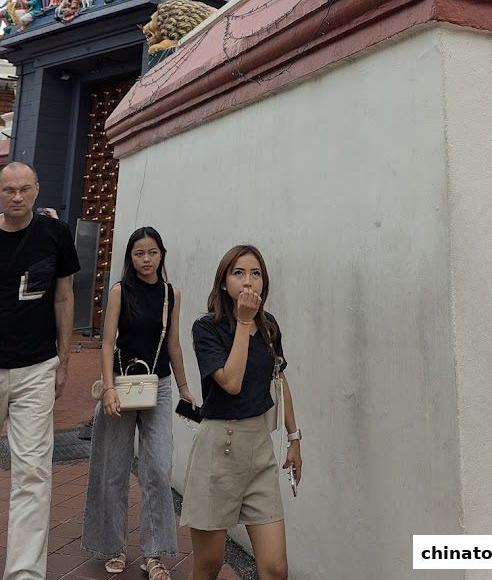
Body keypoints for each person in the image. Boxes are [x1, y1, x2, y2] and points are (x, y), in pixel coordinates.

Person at [181, 245, 302, 580]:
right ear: (223, 283)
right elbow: (231, 383)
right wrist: (243, 321)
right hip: (219, 448)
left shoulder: (269, 326)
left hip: (258, 447)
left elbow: (279, 378)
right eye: (238, 273)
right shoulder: (206, 328)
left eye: (256, 273)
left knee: (276, 567)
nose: (248, 281)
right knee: (209, 565)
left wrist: (294, 438)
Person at [82, 227, 196, 578]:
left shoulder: (171, 294)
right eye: (139, 254)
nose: (146, 260)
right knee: (112, 468)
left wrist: (184, 387)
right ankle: (112, 547)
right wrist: (110, 390)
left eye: (152, 253)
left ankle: (155, 553)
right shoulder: (119, 292)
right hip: (121, 384)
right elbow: (106, 342)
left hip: (158, 387)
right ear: (130, 258)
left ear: (162, 254)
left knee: (159, 468)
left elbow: (174, 345)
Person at [0, 161, 80, 580]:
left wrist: (63, 363)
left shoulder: (56, 234)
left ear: (36, 190)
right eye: (9, 189)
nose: (16, 197)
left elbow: (64, 298)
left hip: (36, 367)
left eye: (24, 189)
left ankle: (24, 574)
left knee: (33, 473)